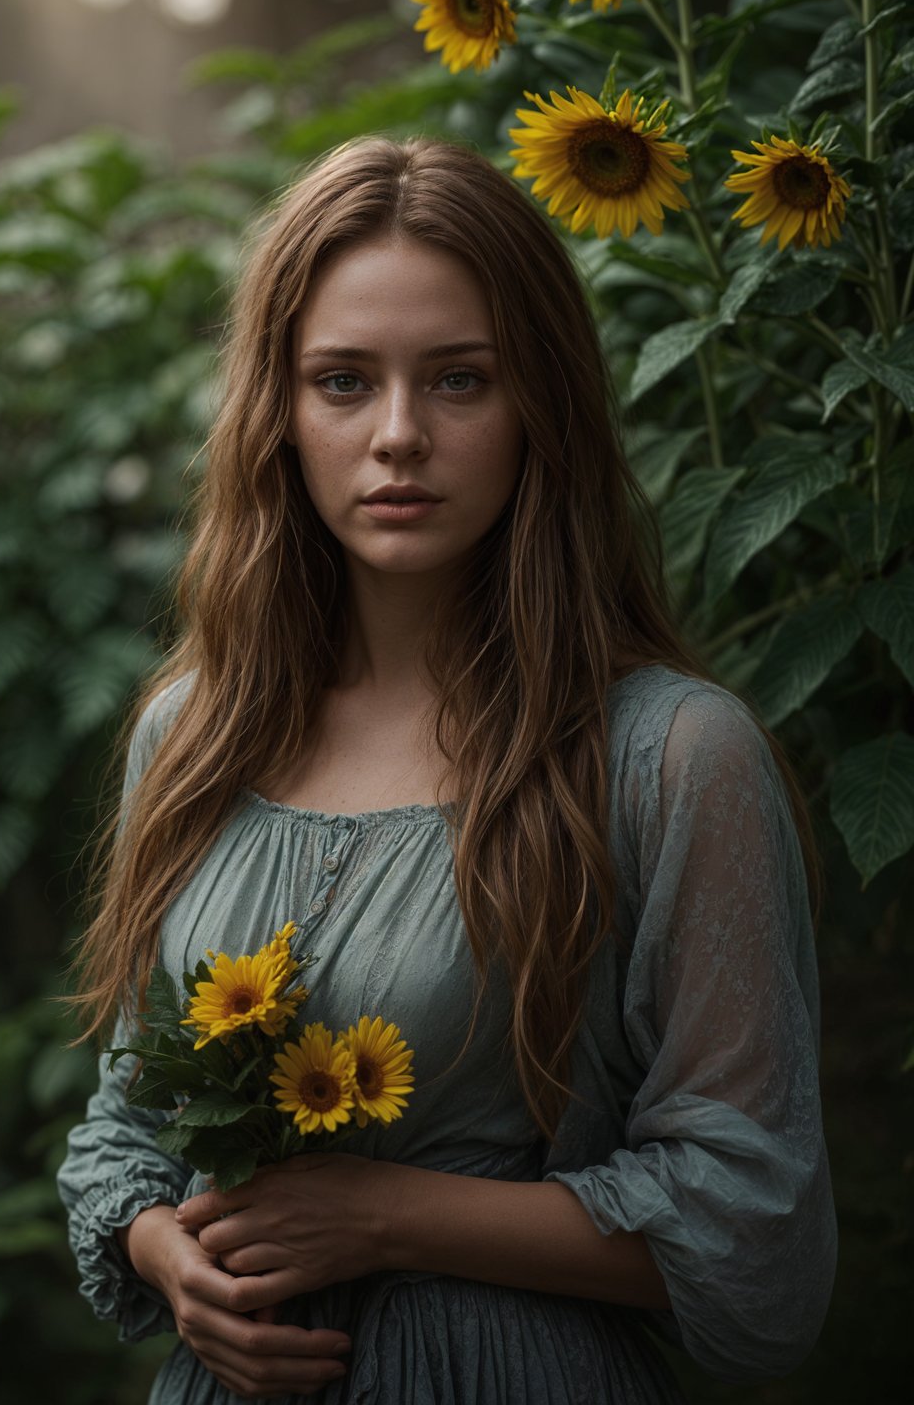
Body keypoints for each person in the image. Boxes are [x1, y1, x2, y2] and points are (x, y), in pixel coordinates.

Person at [58, 135, 837, 1404]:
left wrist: (385, 1216)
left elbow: (756, 1228)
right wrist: (163, 1250)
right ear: (278, 411)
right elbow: (129, 1118)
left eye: (461, 381)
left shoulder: (669, 756)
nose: (400, 435)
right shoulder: (192, 737)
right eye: (344, 381)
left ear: (541, 404)